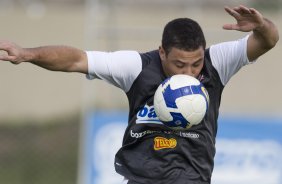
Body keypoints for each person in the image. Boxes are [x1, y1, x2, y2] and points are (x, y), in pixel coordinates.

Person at [0, 5, 279, 184]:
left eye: (195, 64)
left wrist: (262, 25)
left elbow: (268, 40)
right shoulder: (137, 67)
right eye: (179, 64)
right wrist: (27, 54)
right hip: (141, 179)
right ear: (162, 52)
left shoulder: (217, 62)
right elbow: (76, 59)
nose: (189, 72)